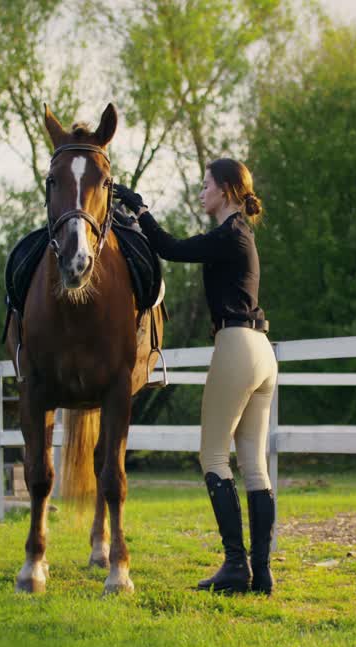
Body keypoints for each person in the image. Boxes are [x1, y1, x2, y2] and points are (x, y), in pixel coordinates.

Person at [113, 158, 277, 595]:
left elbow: (170, 249)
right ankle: (259, 574)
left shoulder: (227, 234)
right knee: (254, 466)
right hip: (263, 351)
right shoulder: (242, 233)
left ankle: (236, 565)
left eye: (206, 185)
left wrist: (140, 211)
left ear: (225, 190)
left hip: (236, 347)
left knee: (214, 458)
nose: (200, 192)